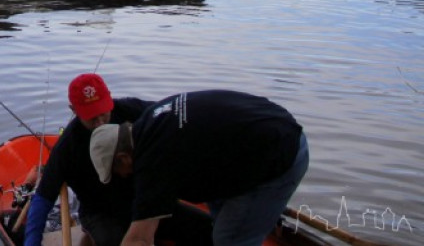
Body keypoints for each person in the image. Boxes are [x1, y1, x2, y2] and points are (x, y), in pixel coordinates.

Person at [90, 90, 309, 246]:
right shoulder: (150, 118)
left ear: (123, 158)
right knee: (217, 224)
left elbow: (139, 239)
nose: (124, 177)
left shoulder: (154, 163)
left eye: (118, 173)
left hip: (281, 153)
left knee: (229, 239)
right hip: (261, 133)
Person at [24, 74, 156, 246]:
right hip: (100, 212)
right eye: (92, 117)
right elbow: (43, 197)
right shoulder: (67, 147)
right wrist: (31, 241)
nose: (100, 123)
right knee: (114, 240)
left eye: (103, 113)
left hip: (142, 199)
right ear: (74, 110)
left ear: (109, 98)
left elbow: (168, 116)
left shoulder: (130, 110)